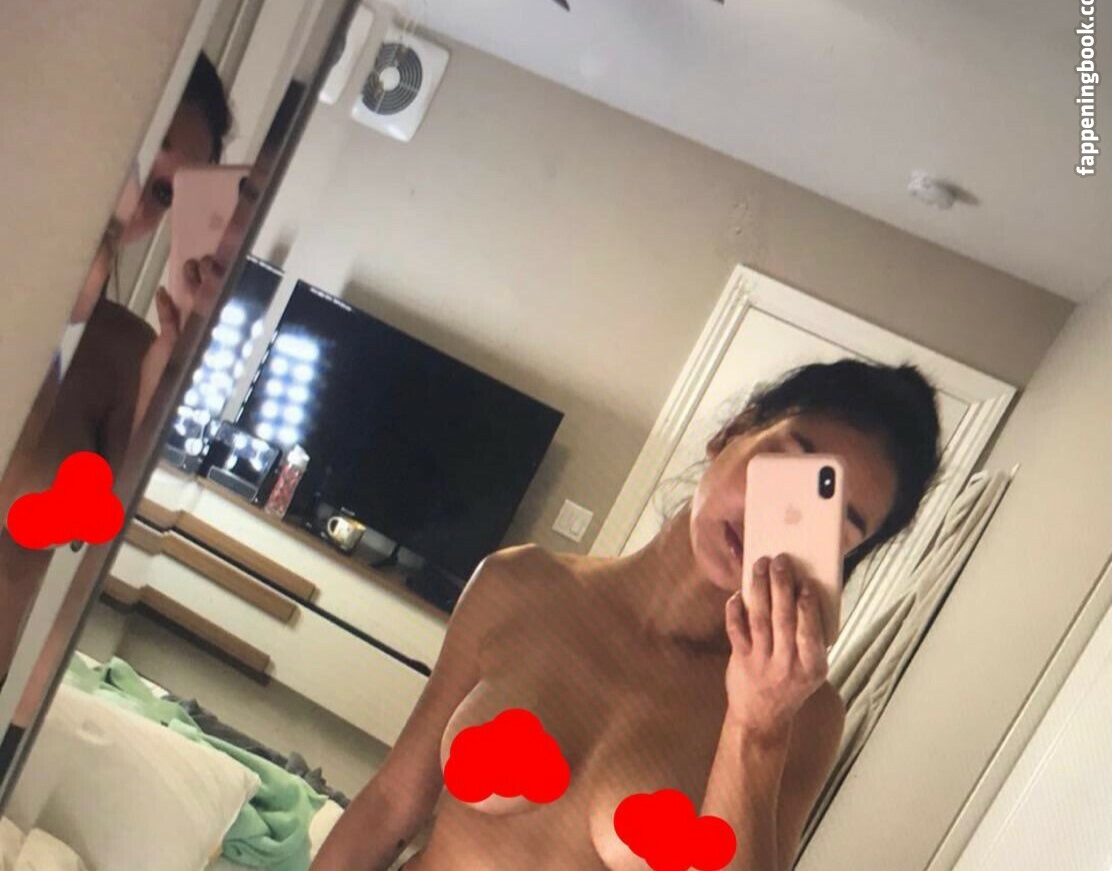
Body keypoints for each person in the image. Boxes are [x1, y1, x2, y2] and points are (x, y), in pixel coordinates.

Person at [312, 359, 942, 871]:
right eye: (785, 468)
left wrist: (756, 728)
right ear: (732, 432)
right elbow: (390, 805)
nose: (770, 519)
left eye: (834, 520)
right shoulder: (519, 583)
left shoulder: (803, 717)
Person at [0, 52, 231, 684]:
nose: (135, 205)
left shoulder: (126, 353)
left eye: (163, 194)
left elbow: (76, 587)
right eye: (144, 152)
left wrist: (161, 378)